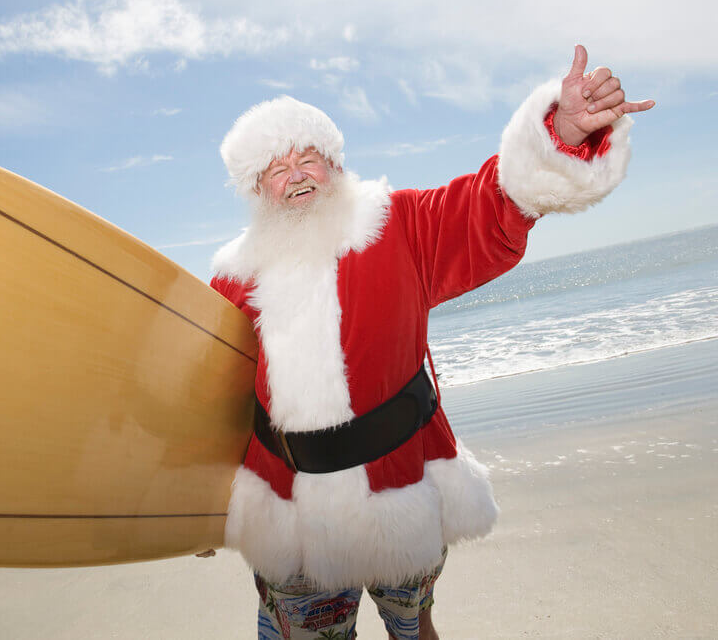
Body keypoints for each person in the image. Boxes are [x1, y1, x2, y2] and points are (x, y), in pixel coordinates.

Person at [207, 45, 654, 640]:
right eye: (276, 168)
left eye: (307, 158)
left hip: (403, 490)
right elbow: (212, 398)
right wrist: (195, 506)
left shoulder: (401, 223)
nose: (296, 176)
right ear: (256, 188)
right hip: (289, 515)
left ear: (334, 165)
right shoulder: (233, 277)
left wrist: (561, 135)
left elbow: (488, 208)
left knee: (414, 629)